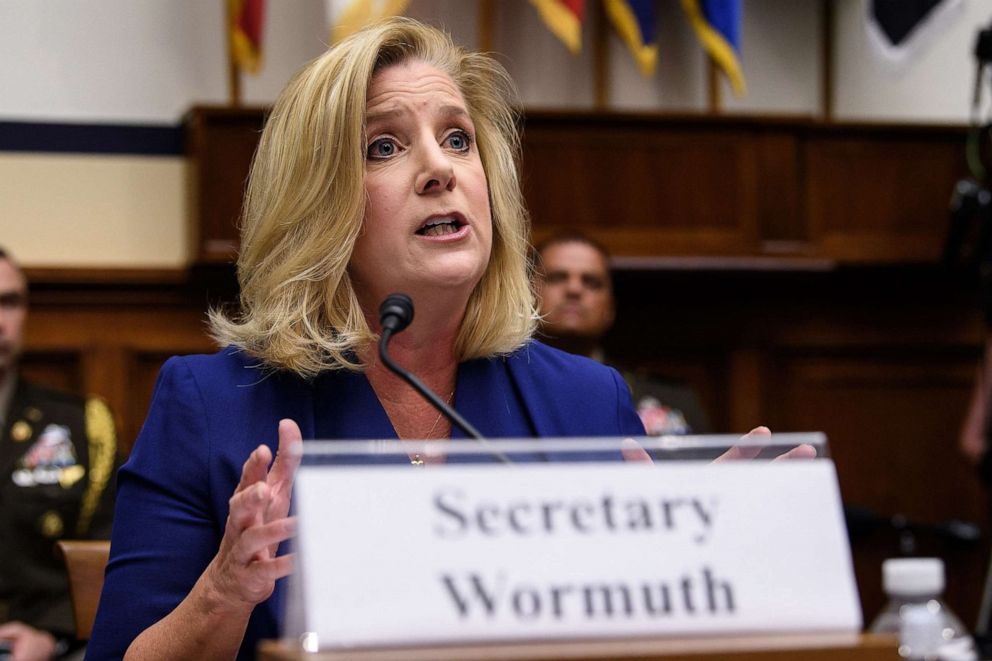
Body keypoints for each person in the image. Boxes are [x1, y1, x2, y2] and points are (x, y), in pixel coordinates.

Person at [86, 18, 646, 660]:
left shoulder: (587, 404)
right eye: (385, 147)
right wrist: (223, 592)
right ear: (318, 204)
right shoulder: (210, 406)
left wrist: (699, 565)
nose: (440, 169)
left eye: (458, 139)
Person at [0, 248, 118, 661]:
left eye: (9, 302)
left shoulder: (82, 427)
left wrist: (52, 635)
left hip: (45, 645)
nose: (0, 321)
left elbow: (110, 551)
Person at [533, 232, 712, 435]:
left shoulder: (672, 400)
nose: (574, 289)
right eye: (557, 278)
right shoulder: (495, 391)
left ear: (610, 308)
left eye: (591, 282)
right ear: (526, 295)